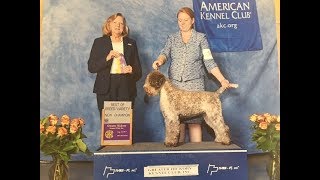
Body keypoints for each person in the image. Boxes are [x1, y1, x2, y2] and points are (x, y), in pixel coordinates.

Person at [152, 7, 235, 143]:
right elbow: (165, 53)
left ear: (192, 21)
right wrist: (159, 60)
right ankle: (179, 157)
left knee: (195, 123)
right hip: (175, 86)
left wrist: (222, 80)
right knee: (178, 122)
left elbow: (209, 61)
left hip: (195, 85)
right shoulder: (172, 38)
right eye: (180, 20)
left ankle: (198, 155)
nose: (182, 23)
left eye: (185, 20)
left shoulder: (201, 38)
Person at [88, 13, 142, 118]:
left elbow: (138, 72)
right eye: (115, 22)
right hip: (105, 88)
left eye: (121, 23)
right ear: (109, 24)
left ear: (124, 27)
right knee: (108, 125)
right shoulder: (99, 42)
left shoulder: (131, 43)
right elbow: (91, 67)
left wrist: (131, 70)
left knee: (124, 124)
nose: (118, 25)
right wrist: (107, 58)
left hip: (126, 87)